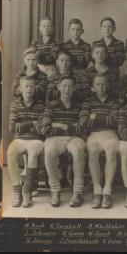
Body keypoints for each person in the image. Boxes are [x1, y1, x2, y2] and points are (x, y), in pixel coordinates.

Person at [42, 75, 86, 207]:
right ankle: (55, 191)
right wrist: (71, 128)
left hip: (75, 139)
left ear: (74, 88)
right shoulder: (52, 105)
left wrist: (61, 126)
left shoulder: (79, 106)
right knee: (49, 151)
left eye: (70, 86)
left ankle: (77, 192)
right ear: (59, 87)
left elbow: (83, 128)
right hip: (55, 139)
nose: (67, 89)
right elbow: (46, 129)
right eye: (64, 86)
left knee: (78, 151)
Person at [79, 75, 120, 209]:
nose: (101, 86)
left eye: (103, 84)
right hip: (94, 135)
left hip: (110, 134)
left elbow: (116, 120)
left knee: (111, 150)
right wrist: (106, 118)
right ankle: (97, 190)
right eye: (98, 84)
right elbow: (83, 122)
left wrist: (95, 117)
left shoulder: (114, 102)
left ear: (108, 86)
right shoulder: (88, 102)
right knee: (92, 151)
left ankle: (107, 191)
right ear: (93, 87)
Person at [7, 76, 45, 208]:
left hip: (36, 140)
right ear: (20, 89)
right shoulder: (15, 104)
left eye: (31, 86)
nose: (29, 89)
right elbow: (12, 127)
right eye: (26, 86)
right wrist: (31, 123)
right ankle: (17, 191)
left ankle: (27, 191)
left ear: (35, 88)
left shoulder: (41, 105)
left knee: (33, 152)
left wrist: (22, 124)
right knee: (11, 152)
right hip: (20, 139)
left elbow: (41, 129)